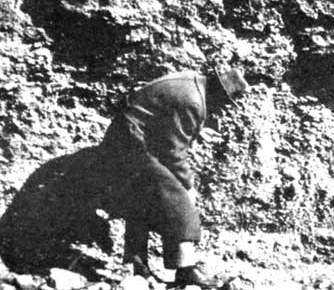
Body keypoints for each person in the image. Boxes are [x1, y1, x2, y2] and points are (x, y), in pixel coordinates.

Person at [98, 68, 249, 288]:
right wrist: (188, 185)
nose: (223, 110)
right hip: (129, 142)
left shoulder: (192, 82)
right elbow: (173, 152)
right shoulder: (194, 102)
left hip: (126, 136)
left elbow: (163, 122)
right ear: (219, 92)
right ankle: (185, 270)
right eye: (225, 102)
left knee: (144, 197)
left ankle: (137, 266)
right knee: (177, 197)